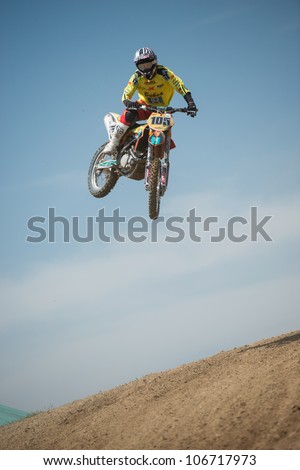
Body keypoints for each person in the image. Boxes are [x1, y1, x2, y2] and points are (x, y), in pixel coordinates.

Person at [104, 47, 198, 155]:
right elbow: (126, 94)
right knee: (129, 113)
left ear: (154, 62)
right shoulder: (137, 77)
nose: (145, 68)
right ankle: (113, 143)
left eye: (147, 64)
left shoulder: (164, 73)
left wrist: (190, 103)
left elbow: (180, 86)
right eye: (141, 65)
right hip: (145, 106)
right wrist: (128, 102)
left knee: (167, 130)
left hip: (162, 110)